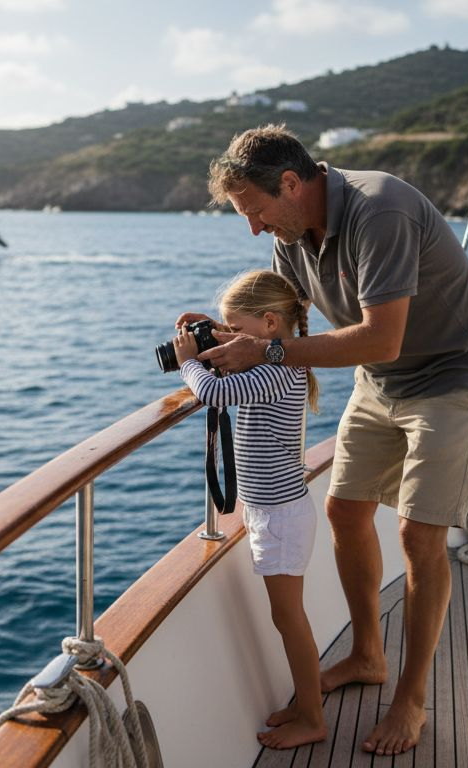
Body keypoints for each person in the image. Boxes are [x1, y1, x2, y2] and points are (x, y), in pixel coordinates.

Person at [188, 124, 468, 756]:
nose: (253, 228)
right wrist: (222, 336)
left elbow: (378, 336)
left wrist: (269, 349)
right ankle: (367, 655)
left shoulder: (379, 209)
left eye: (254, 211)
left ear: (290, 183)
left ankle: (410, 700)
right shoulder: (291, 237)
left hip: (451, 374)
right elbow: (288, 316)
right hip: (381, 379)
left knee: (420, 534)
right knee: (345, 509)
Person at [173, 269, 326, 750]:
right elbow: (239, 364)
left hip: (280, 517)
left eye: (238, 331)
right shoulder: (273, 361)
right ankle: (305, 704)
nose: (233, 341)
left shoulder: (276, 371)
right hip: (274, 511)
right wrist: (216, 335)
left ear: (268, 325)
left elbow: (215, 392)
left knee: (290, 620)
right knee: (288, 617)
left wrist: (187, 363)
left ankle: (314, 717)